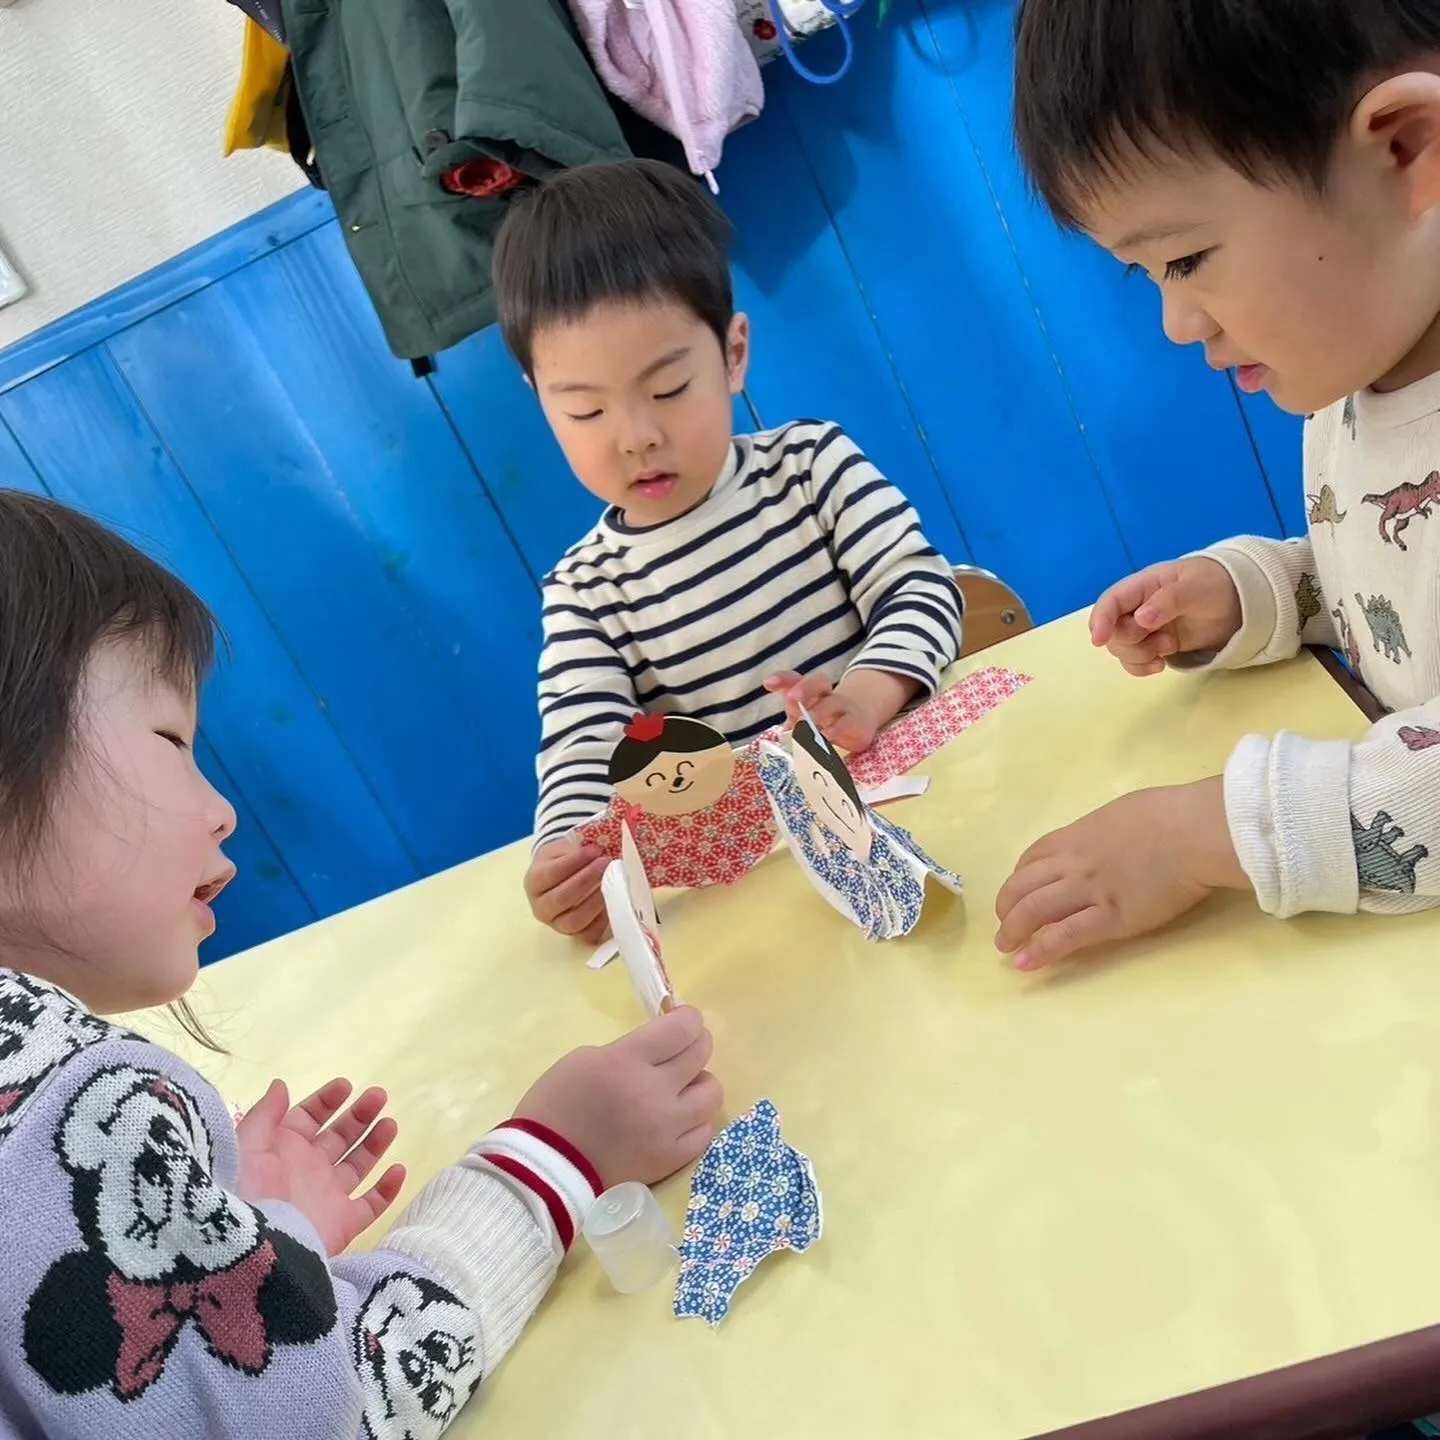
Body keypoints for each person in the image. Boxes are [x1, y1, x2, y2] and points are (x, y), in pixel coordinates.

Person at [0, 490, 723, 1437]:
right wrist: (554, 1158)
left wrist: (240, 1243)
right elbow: (328, 1410)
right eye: (173, 742)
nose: (222, 812)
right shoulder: (66, 1110)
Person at [995, 0, 1440, 972]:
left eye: (1187, 258)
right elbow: (1403, 574)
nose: (1176, 321)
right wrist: (1263, 592)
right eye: (1146, 275)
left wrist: (1206, 837)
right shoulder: (1361, 374)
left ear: (1407, 149)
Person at [493, 158, 966, 944]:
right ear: (541, 401)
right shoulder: (586, 592)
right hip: (766, 902)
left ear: (733, 354)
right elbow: (585, 745)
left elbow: (920, 588)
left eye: (669, 390)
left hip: (919, 803)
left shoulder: (812, 467)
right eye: (584, 409)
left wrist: (868, 694)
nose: (637, 434)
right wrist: (571, 856)